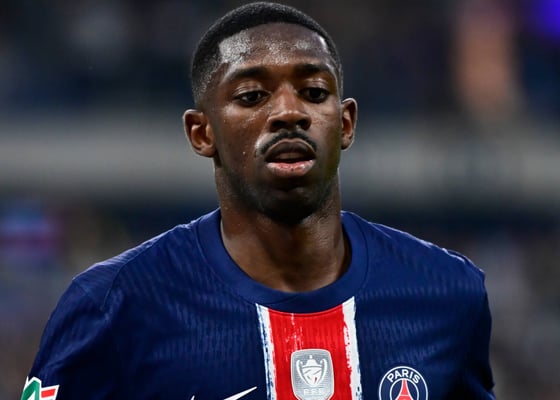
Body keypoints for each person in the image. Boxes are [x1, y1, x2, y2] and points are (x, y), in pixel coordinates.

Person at [22, 2, 495, 399]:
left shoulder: (447, 292)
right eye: (251, 96)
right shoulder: (114, 305)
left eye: (314, 92)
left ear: (346, 123)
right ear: (201, 132)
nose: (289, 112)